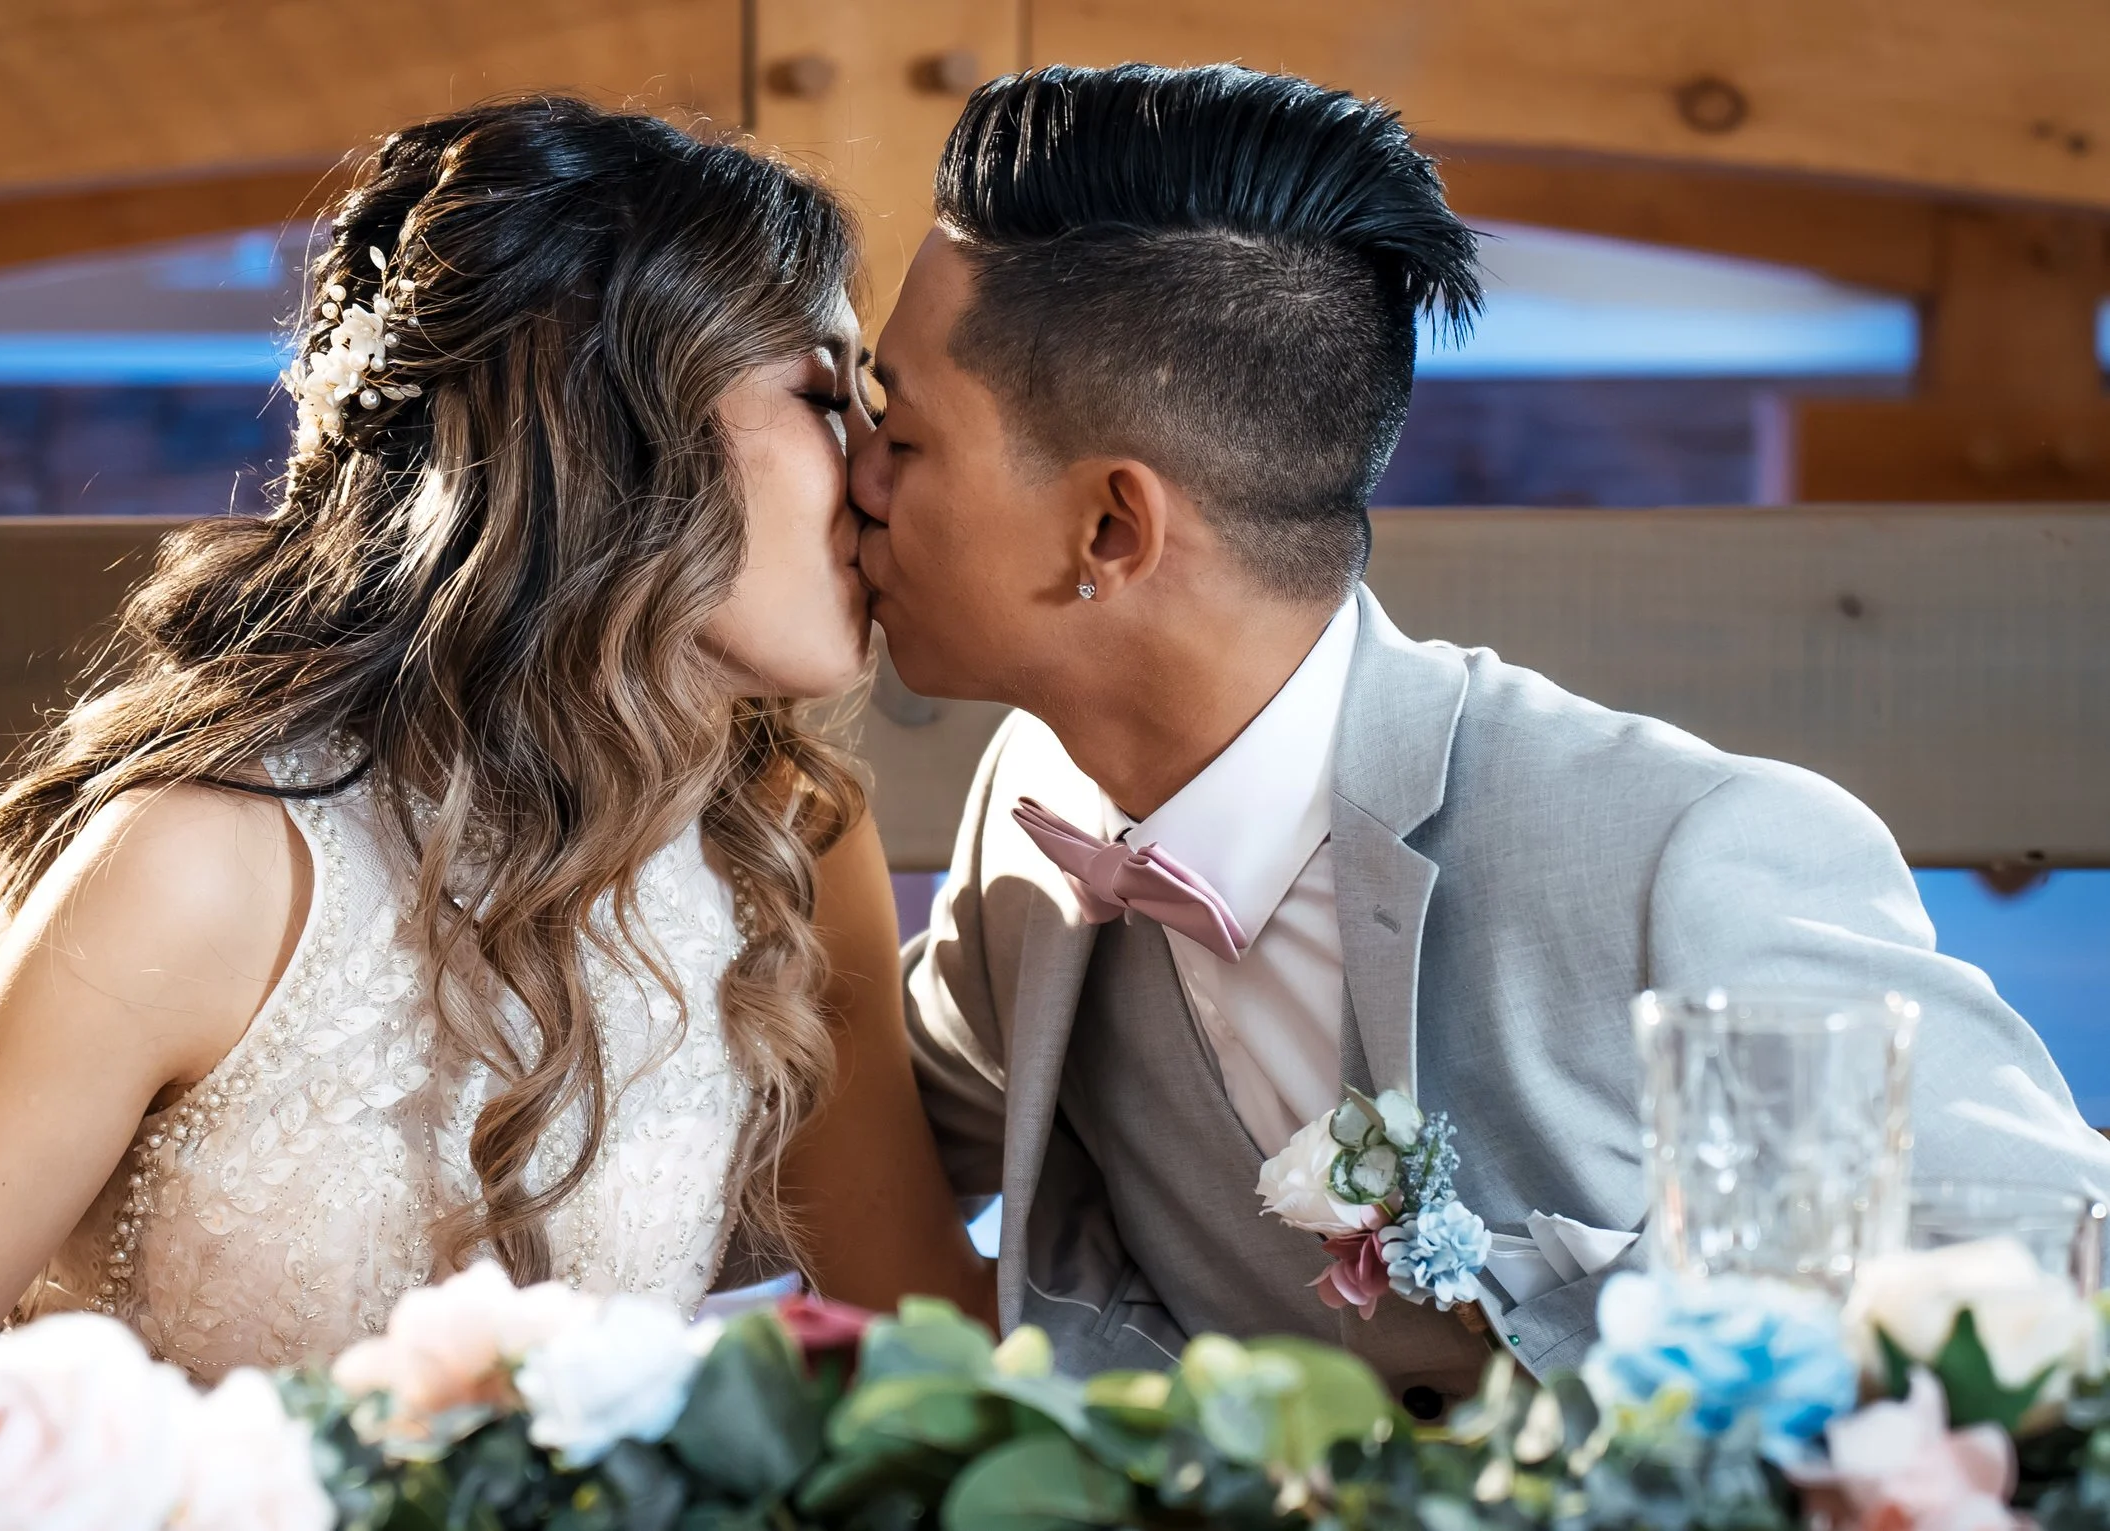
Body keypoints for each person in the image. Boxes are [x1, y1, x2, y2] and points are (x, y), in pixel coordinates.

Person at [853, 62, 2096, 1402]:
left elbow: (2065, 1298)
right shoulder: (1038, 805)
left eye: (899, 435)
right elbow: (801, 1157)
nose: (851, 479)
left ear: (1112, 529)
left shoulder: (1678, 860)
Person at [0, 98, 991, 1377]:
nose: (877, 468)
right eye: (825, 395)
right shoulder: (204, 866)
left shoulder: (781, 834)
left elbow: (923, 1327)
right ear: (608, 424)